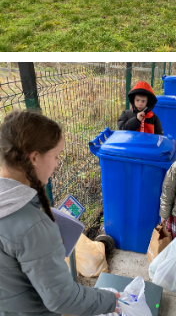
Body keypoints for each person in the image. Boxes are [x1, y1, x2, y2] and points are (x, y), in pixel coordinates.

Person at [0, 110, 120, 315]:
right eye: (56, 156)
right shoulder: (33, 227)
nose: (57, 164)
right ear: (34, 158)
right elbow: (64, 300)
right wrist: (111, 300)